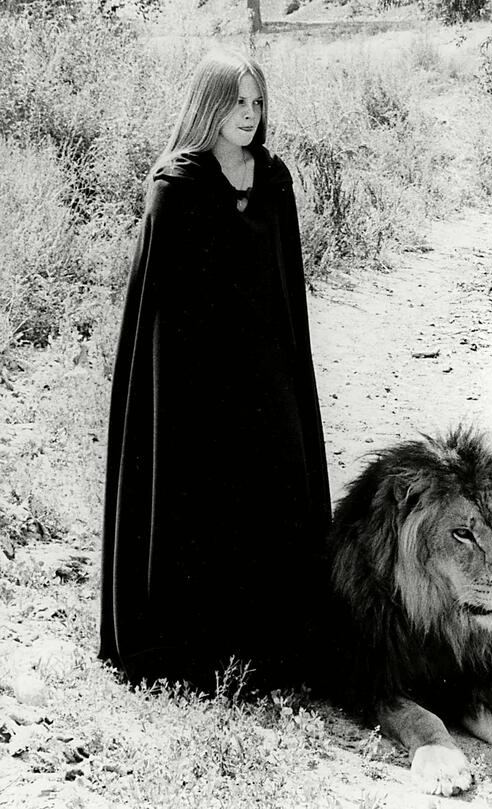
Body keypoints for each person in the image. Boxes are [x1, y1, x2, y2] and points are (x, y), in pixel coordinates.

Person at [100, 50, 332, 689]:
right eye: (237, 102)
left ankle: (269, 650)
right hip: (196, 382)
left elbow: (286, 288)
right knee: (200, 505)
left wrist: (286, 378)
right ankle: (197, 650)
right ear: (209, 105)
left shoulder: (274, 180)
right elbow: (160, 316)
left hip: (266, 374)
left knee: (275, 492)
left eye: (257, 103)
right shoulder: (175, 188)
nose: (250, 115)